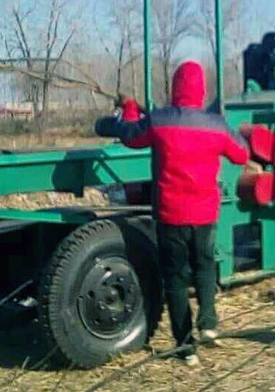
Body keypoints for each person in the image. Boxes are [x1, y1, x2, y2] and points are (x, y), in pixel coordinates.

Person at [94, 60, 249, 366]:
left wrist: (129, 108)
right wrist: (227, 126)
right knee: (205, 267)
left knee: (175, 281)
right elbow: (241, 153)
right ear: (202, 90)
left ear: (175, 88)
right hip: (204, 214)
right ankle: (209, 324)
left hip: (171, 215)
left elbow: (130, 136)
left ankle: (186, 348)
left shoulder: (161, 120)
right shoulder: (214, 124)